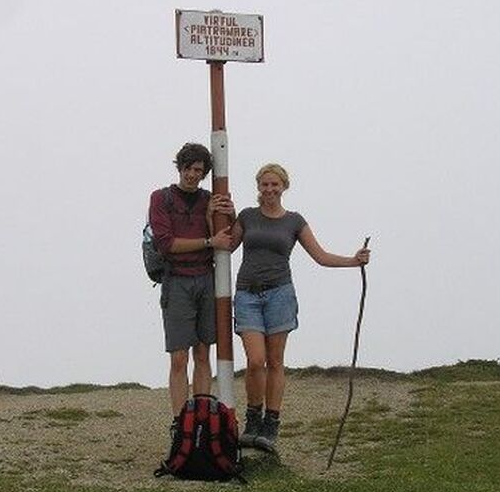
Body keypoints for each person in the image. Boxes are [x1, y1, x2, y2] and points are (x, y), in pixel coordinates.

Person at [230, 163, 370, 451]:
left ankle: (271, 425)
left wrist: (354, 260)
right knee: (256, 361)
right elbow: (225, 245)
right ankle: (252, 420)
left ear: (284, 187)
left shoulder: (294, 221)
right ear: (258, 187)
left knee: (276, 360)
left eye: (274, 184)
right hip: (247, 295)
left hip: (280, 294)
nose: (269, 189)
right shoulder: (246, 216)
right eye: (265, 184)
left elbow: (319, 255)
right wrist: (212, 219)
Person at [148, 142, 234, 436]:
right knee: (178, 357)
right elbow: (166, 244)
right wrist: (209, 243)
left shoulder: (209, 200)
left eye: (199, 170)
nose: (193, 175)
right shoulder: (161, 199)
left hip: (205, 279)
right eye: (189, 168)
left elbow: (226, 239)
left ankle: (200, 416)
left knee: (202, 353)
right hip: (178, 281)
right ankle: (178, 422)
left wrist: (214, 218)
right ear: (180, 167)